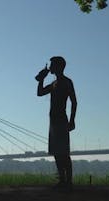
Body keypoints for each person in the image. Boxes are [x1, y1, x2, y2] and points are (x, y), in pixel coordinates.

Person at [36, 56, 77, 189]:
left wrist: (72, 120)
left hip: (61, 120)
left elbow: (74, 102)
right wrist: (41, 79)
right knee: (56, 151)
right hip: (53, 120)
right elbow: (40, 93)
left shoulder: (66, 82)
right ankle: (62, 180)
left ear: (59, 67)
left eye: (53, 64)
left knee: (64, 152)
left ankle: (68, 181)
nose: (51, 67)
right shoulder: (54, 84)